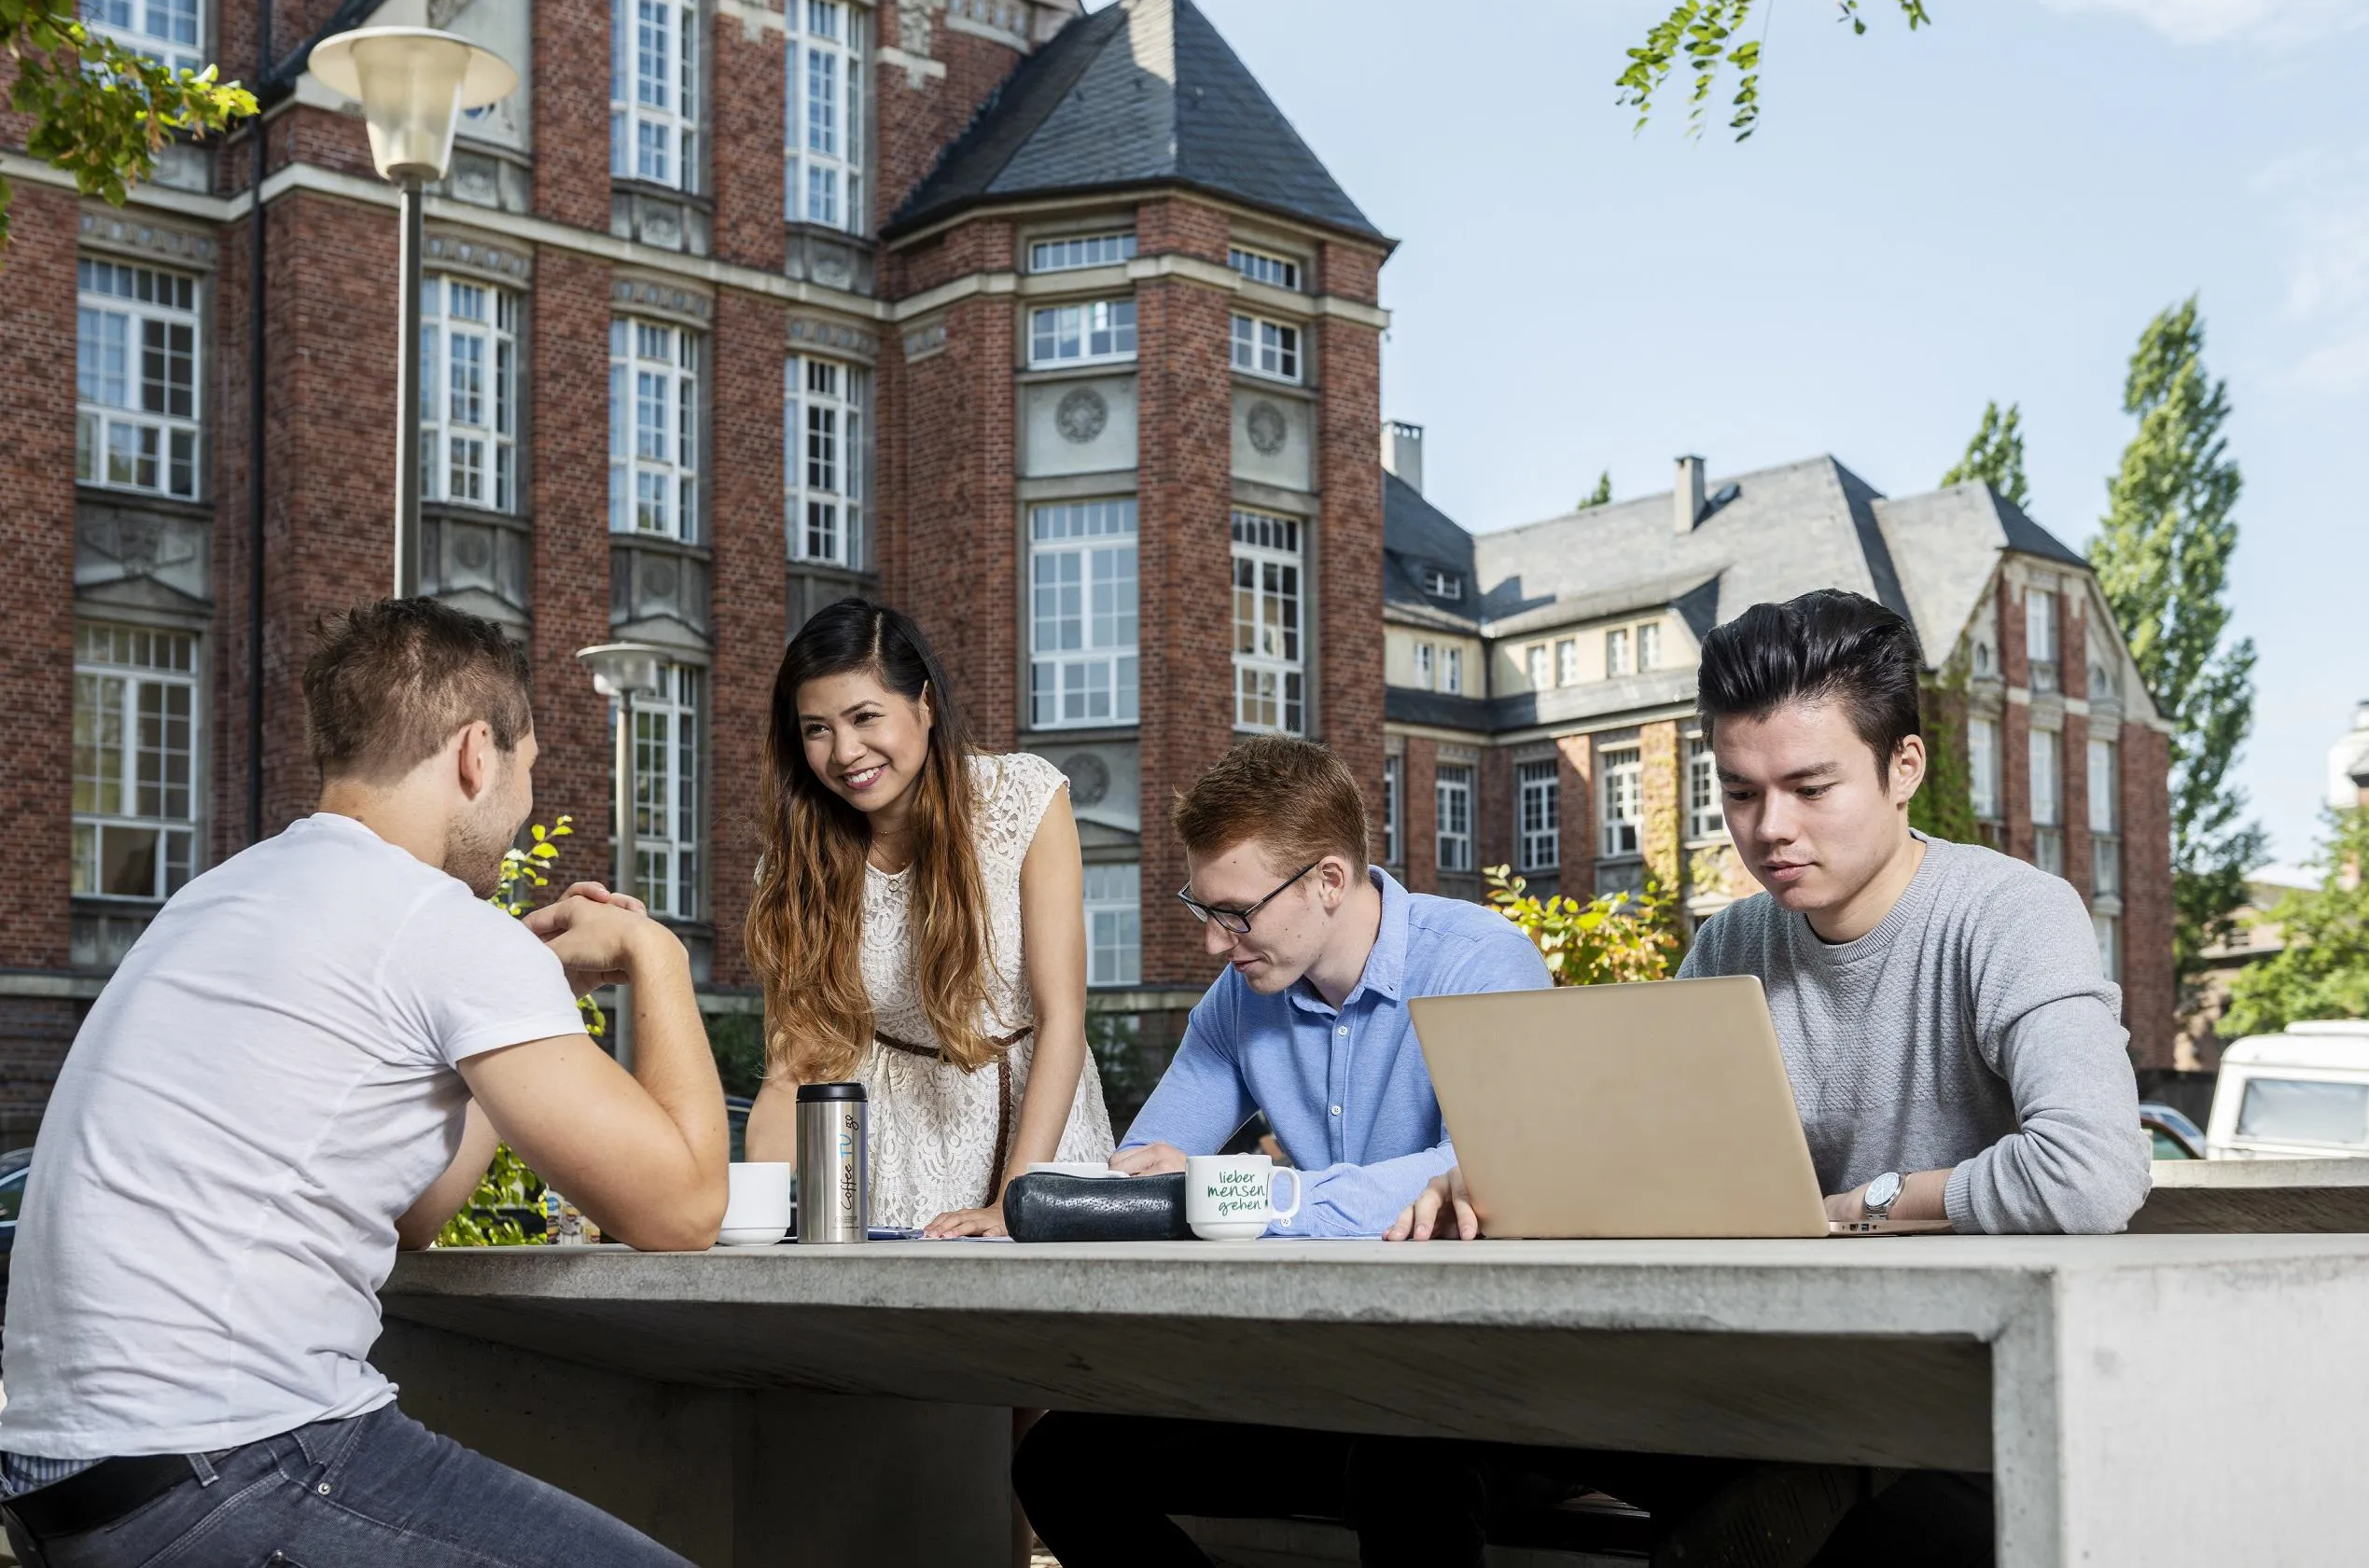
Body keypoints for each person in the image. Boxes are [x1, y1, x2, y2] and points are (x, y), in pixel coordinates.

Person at [1355, 590, 2153, 1568]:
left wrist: (1868, 1201)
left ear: (1904, 767)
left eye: (1811, 788)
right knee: (1413, 1441)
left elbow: (2093, 1167)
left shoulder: (2012, 917)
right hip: (1767, 1376)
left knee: (1765, 1532)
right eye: (1738, 791)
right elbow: (1651, 1163)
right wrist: (1505, 1177)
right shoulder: (1731, 940)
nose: (1768, 827)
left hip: (1949, 1400)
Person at [0, 598, 728, 1568]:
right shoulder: (435, 922)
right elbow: (680, 1210)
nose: (522, 813)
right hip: (233, 1464)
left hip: (79, 1485)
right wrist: (657, 954)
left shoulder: (221, 893)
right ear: (478, 751)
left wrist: (505, 1002)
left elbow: (408, 1215)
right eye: (529, 770)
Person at [1012, 735, 1553, 1568]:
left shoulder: (1481, 964)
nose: (1213, 943)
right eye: (1205, 910)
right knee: (1058, 1463)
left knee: (1401, 1462)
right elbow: (1147, 1172)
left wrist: (1254, 1198)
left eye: (1237, 914)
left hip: (1487, 1389)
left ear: (1329, 881)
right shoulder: (1239, 1000)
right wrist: (1050, 1200)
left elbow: (1492, 1172)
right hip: (1322, 1380)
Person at [743, 597, 1110, 1236]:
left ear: (925, 705)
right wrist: (753, 1217)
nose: (844, 751)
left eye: (864, 717)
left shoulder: (1021, 798)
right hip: (885, 1156)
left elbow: (1063, 1020)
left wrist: (1012, 1205)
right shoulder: (793, 863)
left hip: (1035, 1135)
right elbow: (791, 1071)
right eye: (816, 729)